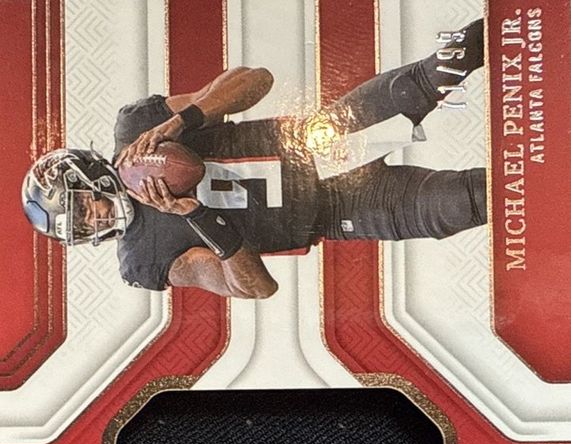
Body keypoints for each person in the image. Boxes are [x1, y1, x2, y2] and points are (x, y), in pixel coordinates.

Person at [22, 19, 485, 300]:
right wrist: (196, 214)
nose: (92, 220)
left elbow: (257, 80)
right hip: (340, 211)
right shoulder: (142, 259)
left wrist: (181, 122)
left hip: (321, 138)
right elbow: (256, 288)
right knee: (463, 202)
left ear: (86, 174)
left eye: (81, 208)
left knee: (441, 68)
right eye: (80, 227)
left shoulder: (136, 129)